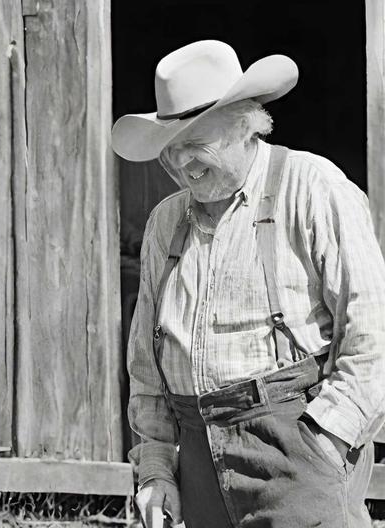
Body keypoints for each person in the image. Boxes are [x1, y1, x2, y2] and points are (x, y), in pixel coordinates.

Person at [112, 40, 385, 527]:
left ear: (245, 124)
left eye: (198, 146)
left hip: (297, 456)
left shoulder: (313, 188)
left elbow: (372, 334)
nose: (183, 165)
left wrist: (327, 442)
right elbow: (146, 366)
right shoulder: (165, 223)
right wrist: (156, 469)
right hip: (196, 461)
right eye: (171, 151)